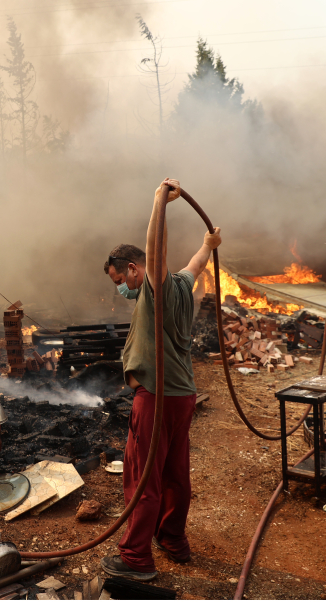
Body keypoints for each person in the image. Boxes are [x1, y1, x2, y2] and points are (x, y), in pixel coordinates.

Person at [100, 178, 222, 581]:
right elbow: (197, 262)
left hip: (155, 396)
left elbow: (158, 251)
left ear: (135, 269)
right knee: (174, 473)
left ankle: (135, 558)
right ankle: (172, 539)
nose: (120, 288)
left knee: (143, 476)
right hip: (182, 395)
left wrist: (159, 204)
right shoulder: (185, 286)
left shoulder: (156, 286)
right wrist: (209, 243)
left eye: (120, 280)